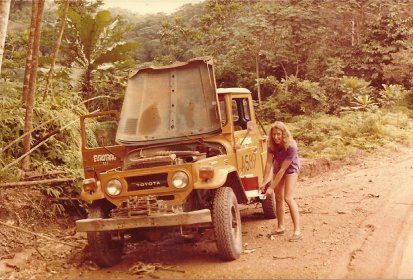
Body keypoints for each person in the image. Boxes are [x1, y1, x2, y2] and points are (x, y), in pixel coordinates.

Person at [259, 121, 302, 241]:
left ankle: (297, 231)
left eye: (278, 134)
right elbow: (268, 163)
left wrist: (271, 187)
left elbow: (284, 170)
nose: (276, 137)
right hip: (278, 168)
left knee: (288, 197)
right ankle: (280, 227)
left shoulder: (291, 146)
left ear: (284, 134)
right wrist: (264, 181)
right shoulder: (271, 144)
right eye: (273, 134)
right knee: (278, 198)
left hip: (290, 169)